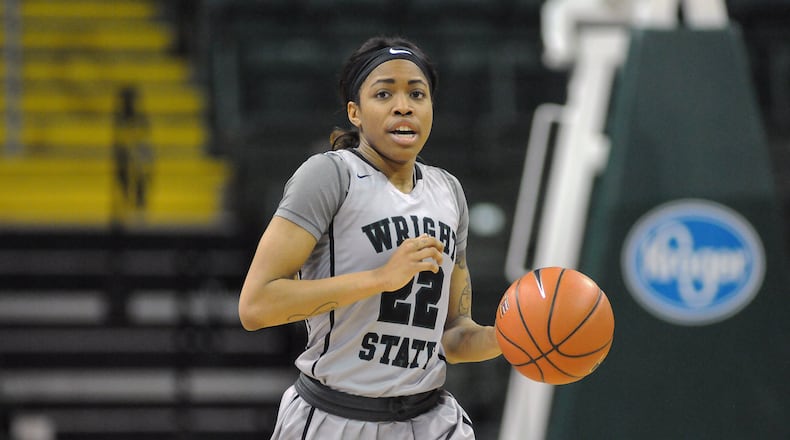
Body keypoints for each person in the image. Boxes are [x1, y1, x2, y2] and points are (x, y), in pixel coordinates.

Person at [238, 35, 502, 439]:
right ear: (355, 113)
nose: (404, 105)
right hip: (335, 416)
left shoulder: (448, 191)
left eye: (417, 93)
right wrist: (380, 280)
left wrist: (512, 338)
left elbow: (452, 335)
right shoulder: (330, 176)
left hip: (430, 419)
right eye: (384, 93)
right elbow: (256, 306)